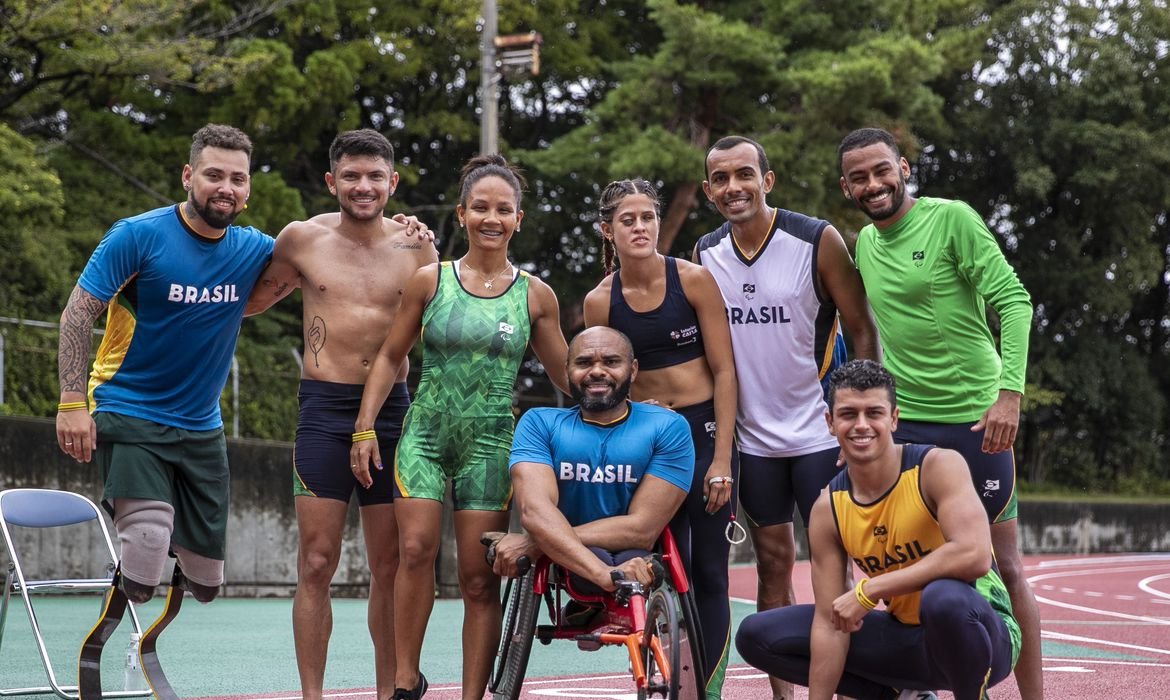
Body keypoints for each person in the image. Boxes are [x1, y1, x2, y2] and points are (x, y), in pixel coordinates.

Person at [55, 124, 274, 687]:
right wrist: (71, 401)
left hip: (202, 427)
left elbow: (328, 245)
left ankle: (153, 550)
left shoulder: (253, 249)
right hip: (129, 407)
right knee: (148, 547)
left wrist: (399, 229)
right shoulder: (138, 236)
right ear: (188, 175)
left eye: (237, 178)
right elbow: (78, 316)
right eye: (214, 175)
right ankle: (112, 633)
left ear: (248, 188)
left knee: (206, 583)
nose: (225, 187)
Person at [351, 153, 569, 700]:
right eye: (480, 208)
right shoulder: (431, 280)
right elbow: (389, 357)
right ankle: (406, 678)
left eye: (503, 209)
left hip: (491, 442)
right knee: (416, 550)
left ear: (519, 219)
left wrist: (626, 411)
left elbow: (569, 374)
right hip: (424, 434)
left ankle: (473, 695)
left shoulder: (536, 296)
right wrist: (364, 427)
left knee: (478, 576)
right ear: (462, 213)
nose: (491, 218)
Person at [837, 127, 1042, 700]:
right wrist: (860, 418)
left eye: (882, 170)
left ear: (902, 167)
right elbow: (869, 337)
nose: (873, 184)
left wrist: (1009, 394)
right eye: (859, 177)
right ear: (846, 186)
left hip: (977, 418)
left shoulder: (952, 219)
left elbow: (1014, 300)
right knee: (897, 551)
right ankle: (915, 682)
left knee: (1002, 562)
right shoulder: (865, 246)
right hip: (909, 424)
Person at [243, 129, 438, 700]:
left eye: (375, 176)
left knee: (388, 563)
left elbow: (454, 317)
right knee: (317, 561)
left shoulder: (417, 248)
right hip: (325, 411)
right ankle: (312, 696)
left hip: (393, 414)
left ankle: (386, 692)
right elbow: (249, 301)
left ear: (393, 182)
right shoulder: (301, 240)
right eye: (351, 176)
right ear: (332, 181)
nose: (363, 186)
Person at [694, 135, 881, 700]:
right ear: (708, 191)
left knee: (843, 567)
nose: (734, 188)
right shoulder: (706, 252)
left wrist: (861, 412)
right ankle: (786, 693)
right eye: (721, 180)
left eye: (744, 175)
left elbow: (861, 325)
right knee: (773, 566)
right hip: (753, 443)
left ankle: (857, 684)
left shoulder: (815, 238)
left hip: (819, 435)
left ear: (766, 180)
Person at [735, 359, 1020, 700]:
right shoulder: (829, 508)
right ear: (829, 422)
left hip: (985, 633)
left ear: (894, 418)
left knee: (943, 599)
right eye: (848, 414)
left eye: (873, 413)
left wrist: (871, 589)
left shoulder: (937, 467)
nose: (861, 425)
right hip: (907, 639)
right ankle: (900, 695)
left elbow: (972, 555)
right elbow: (830, 624)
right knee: (758, 635)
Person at [582, 178, 737, 699]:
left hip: (702, 431)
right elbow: (602, 385)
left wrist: (722, 459)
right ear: (608, 230)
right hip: (649, 444)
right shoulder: (600, 302)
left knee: (708, 572)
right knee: (662, 566)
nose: (641, 227)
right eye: (628, 220)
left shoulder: (693, 281)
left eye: (648, 217)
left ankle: (708, 691)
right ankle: (665, 672)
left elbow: (725, 370)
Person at [490, 326, 694, 601]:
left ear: (633, 370)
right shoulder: (540, 423)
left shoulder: (667, 426)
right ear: (567, 370)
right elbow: (535, 511)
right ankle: (591, 597)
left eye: (611, 362)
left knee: (634, 561)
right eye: (584, 362)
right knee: (597, 565)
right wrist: (604, 575)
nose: (597, 371)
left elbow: (642, 529)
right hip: (574, 562)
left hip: (631, 549)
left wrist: (536, 543)